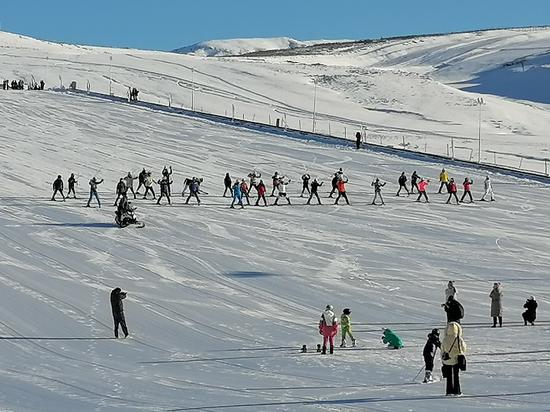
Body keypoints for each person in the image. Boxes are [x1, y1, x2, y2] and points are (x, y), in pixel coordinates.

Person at [441, 321, 466, 396]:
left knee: (449, 377)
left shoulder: (445, 339)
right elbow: (463, 348)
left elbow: (442, 349)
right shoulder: (458, 339)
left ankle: (449, 391)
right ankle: (457, 391)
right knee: (456, 375)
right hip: (456, 359)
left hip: (447, 360)